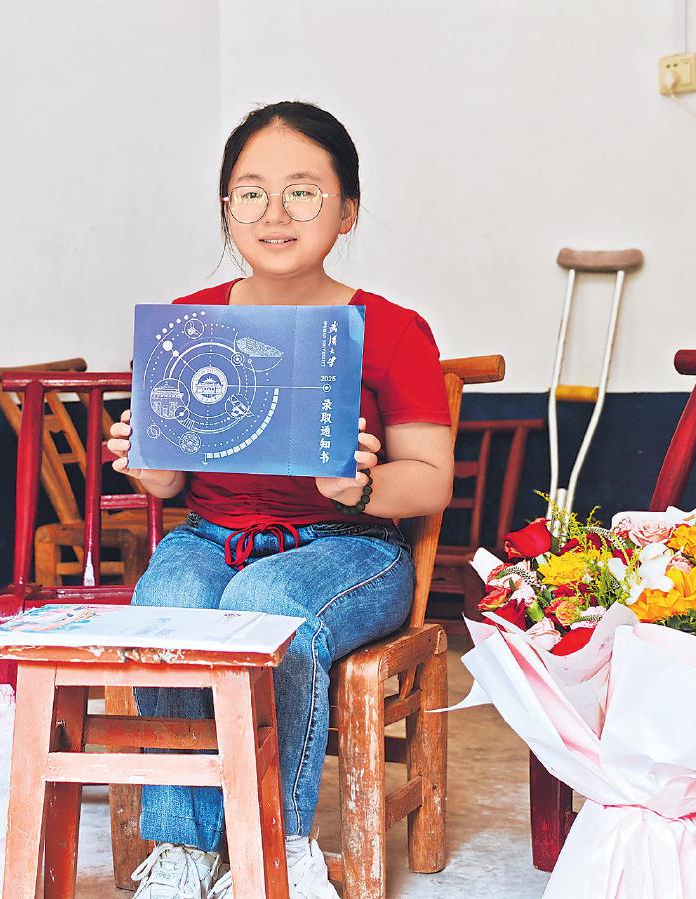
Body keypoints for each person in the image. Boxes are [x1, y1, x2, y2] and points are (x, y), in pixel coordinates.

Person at [106, 100, 455, 899]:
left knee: (266, 604)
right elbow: (171, 483)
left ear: (347, 210)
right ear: (226, 207)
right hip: (212, 535)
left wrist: (362, 487)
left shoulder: (392, 329)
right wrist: (144, 463)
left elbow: (431, 477)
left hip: (350, 545)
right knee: (168, 603)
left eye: (302, 191)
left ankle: (278, 844)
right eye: (251, 192)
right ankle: (186, 847)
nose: (274, 213)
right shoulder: (187, 322)